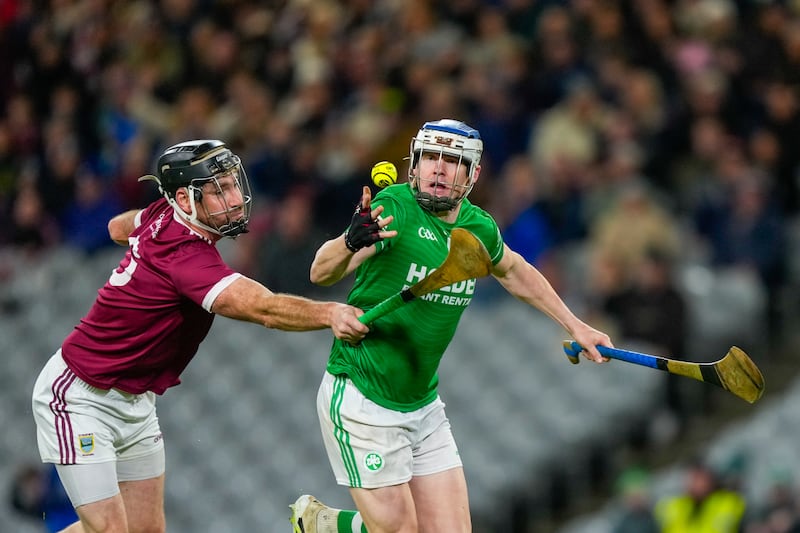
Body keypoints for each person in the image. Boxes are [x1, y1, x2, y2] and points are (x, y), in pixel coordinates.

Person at [289, 119, 613, 533]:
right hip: (363, 400)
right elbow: (321, 273)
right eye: (430, 159)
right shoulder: (394, 207)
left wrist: (576, 325)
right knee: (401, 531)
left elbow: (514, 270)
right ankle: (327, 526)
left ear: (472, 174)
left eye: (452, 161)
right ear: (416, 165)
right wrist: (349, 241)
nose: (438, 170)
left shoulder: (477, 228)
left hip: (422, 406)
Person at [30, 139, 369, 533]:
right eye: (219, 190)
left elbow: (117, 227)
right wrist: (330, 311)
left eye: (232, 184)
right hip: (81, 397)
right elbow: (265, 309)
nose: (236, 198)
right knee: (109, 530)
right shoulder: (187, 258)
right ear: (184, 200)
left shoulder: (162, 214)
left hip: (135, 402)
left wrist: (145, 237)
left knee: (145, 531)